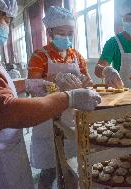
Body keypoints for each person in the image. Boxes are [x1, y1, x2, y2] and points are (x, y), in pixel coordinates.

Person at [0, 1, 101, 189]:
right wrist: (68, 97)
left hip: (1, 147)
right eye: (5, 19)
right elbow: (5, 112)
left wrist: (27, 83)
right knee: (49, 168)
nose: (5, 26)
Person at [27, 6, 93, 188]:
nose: (66, 37)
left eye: (69, 33)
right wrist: (54, 80)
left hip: (71, 117)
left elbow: (87, 81)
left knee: (71, 165)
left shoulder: (76, 55)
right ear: (49, 32)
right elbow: (32, 86)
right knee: (49, 170)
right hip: (47, 117)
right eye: (61, 33)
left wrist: (90, 84)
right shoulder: (39, 56)